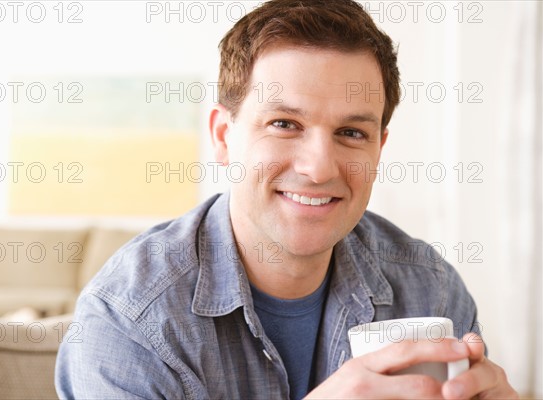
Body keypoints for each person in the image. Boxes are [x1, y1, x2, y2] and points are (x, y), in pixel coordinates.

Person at [55, 0, 518, 398]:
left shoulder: (430, 291)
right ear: (223, 136)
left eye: (352, 132)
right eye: (284, 124)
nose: (319, 168)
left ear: (379, 149)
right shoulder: (130, 322)